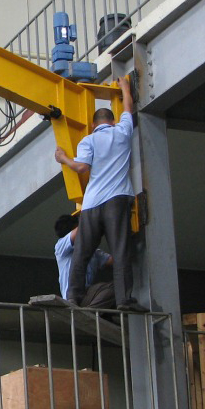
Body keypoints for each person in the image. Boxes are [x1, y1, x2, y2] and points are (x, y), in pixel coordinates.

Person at [54, 75, 146, 312]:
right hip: (116, 200)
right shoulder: (122, 131)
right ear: (112, 121)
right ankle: (124, 300)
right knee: (120, 250)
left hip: (91, 204)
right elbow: (128, 106)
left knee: (82, 253)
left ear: (94, 124)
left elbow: (81, 167)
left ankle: (72, 297)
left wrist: (64, 159)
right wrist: (125, 87)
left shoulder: (88, 140)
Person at [54, 213, 115, 308]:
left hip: (87, 295)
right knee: (113, 289)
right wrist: (94, 215)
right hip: (71, 298)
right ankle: (89, 312)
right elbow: (79, 231)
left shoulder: (93, 252)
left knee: (117, 288)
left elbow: (114, 262)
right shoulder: (61, 246)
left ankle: (89, 311)